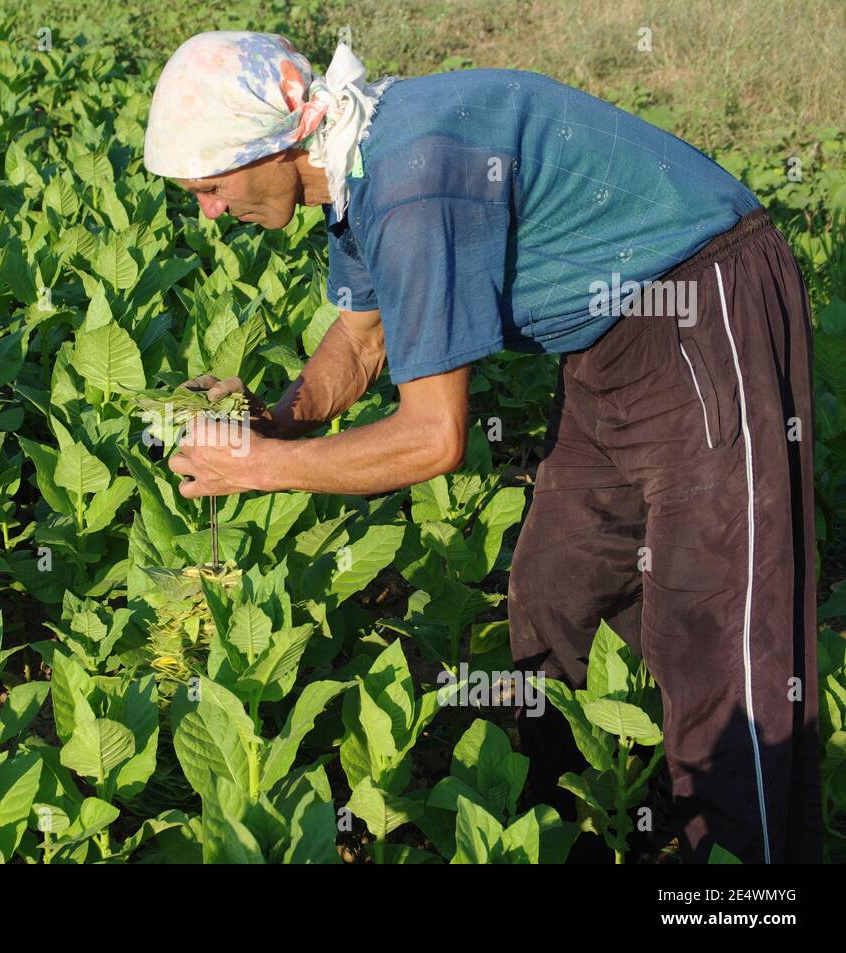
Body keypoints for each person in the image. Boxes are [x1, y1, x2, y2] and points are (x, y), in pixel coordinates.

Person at [141, 30, 820, 864]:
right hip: (604, 347)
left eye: (212, 187)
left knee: (717, 634)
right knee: (558, 591)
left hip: (700, 302)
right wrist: (274, 423)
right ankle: (553, 833)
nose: (210, 212)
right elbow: (358, 345)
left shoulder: (408, 176)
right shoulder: (352, 167)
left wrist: (261, 469)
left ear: (279, 145)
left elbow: (434, 440)